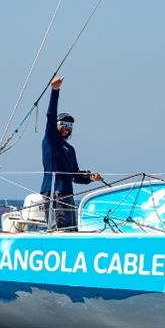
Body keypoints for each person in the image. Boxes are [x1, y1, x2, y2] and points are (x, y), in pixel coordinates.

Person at [40, 75, 103, 231]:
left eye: (70, 125)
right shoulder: (51, 140)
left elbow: (74, 175)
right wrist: (55, 90)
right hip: (54, 192)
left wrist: (90, 177)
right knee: (58, 231)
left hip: (67, 194)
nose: (66, 127)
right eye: (63, 123)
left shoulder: (70, 149)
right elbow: (50, 116)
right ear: (56, 125)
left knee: (70, 230)